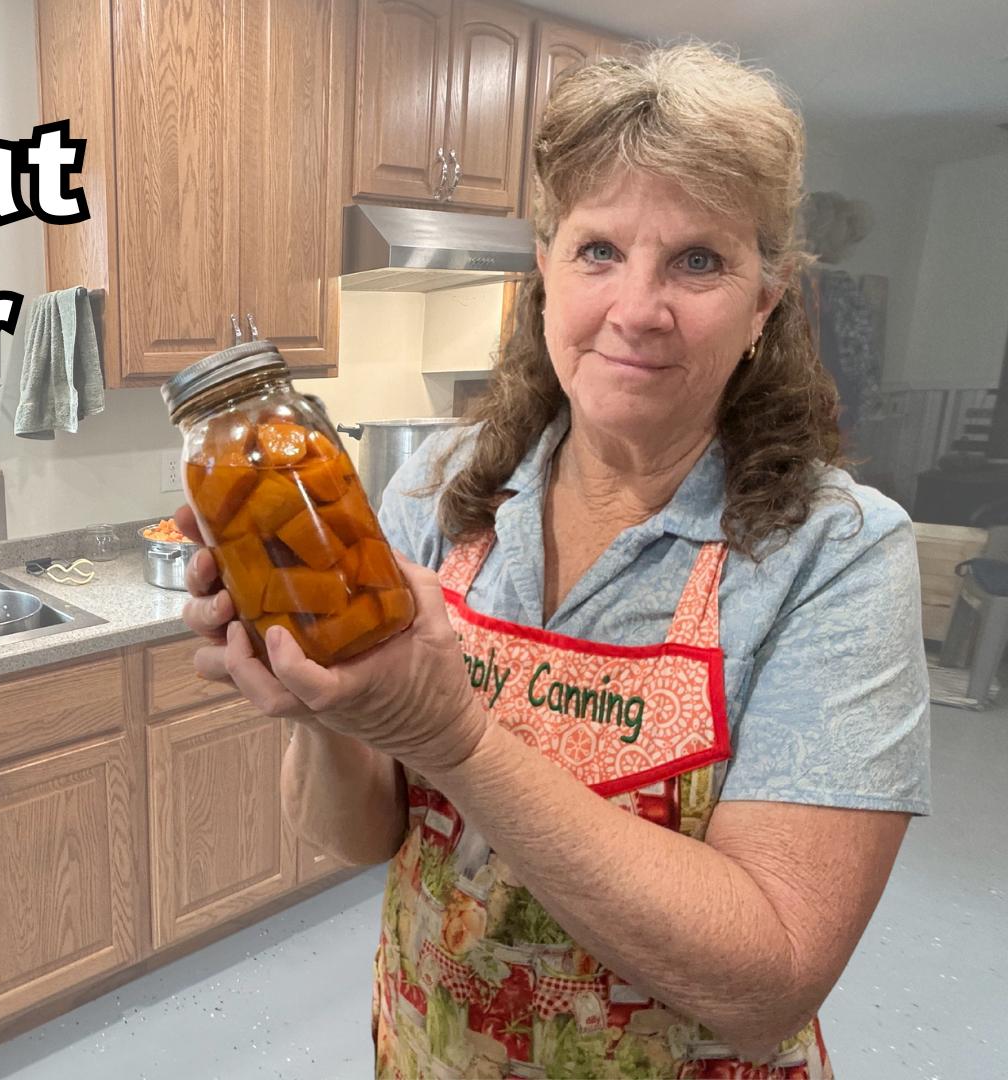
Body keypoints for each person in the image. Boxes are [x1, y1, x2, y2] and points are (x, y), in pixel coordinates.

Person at [177, 43, 928, 1079]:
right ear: (544, 269)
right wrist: (324, 711)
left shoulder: (837, 556)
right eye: (599, 250)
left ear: (766, 301)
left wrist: (451, 736)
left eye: (699, 260)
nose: (637, 308)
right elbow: (356, 835)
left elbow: (770, 980)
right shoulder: (439, 490)